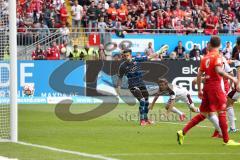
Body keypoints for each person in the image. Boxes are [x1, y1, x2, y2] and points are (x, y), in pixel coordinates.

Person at [177, 36, 240, 146]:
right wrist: (232, 78)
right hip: (216, 87)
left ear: (210, 44)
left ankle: (182, 132)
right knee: (222, 111)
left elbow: (199, 75)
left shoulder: (205, 58)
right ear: (220, 45)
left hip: (207, 88)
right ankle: (226, 140)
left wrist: (199, 91)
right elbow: (219, 70)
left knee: (203, 114)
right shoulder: (217, 56)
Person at [116, 49, 153, 126]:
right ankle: (142, 120)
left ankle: (146, 119)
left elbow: (149, 57)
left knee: (146, 101)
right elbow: (120, 78)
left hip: (141, 83)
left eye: (127, 55)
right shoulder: (122, 66)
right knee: (142, 100)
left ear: (131, 55)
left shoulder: (137, 59)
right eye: (124, 56)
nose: (126, 57)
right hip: (132, 85)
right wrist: (118, 89)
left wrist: (159, 52)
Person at [225, 37, 240, 133]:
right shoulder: (237, 55)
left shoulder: (238, 54)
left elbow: (239, 70)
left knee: (227, 103)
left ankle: (233, 128)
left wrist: (238, 83)